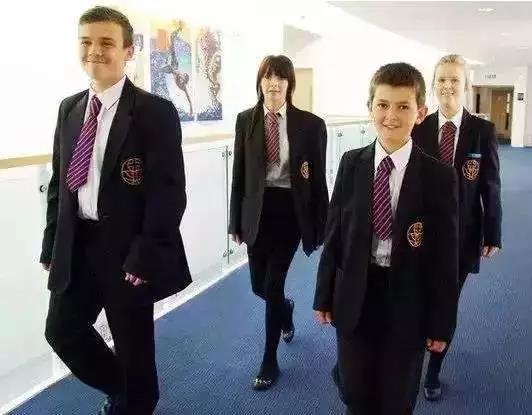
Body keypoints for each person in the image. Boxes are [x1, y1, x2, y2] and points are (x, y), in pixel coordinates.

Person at [40, 6, 191, 415]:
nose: (95, 51)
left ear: (128, 51)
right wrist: (51, 243)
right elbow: (60, 184)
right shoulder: (69, 109)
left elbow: (168, 193)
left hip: (127, 253)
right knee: (62, 331)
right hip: (77, 245)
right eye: (86, 42)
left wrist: (145, 253)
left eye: (106, 42)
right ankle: (127, 391)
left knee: (133, 346)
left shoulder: (154, 112)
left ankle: (136, 399)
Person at [313, 62, 459, 414]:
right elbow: (335, 235)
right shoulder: (351, 164)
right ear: (370, 108)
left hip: (408, 302)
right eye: (382, 105)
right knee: (355, 394)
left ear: (420, 113)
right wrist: (323, 294)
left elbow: (445, 258)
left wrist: (442, 323)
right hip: (355, 293)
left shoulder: (439, 177)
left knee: (396, 398)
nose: (391, 116)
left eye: (403, 106)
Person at [228, 55, 329, 390]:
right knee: (259, 286)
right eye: (268, 77)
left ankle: (269, 359)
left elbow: (318, 181)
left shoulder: (310, 125)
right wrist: (235, 221)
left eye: (280, 78)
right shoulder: (246, 120)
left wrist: (322, 223)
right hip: (256, 213)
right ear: (260, 82)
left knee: (272, 284)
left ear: (289, 84)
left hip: (290, 211)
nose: (273, 83)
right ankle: (285, 309)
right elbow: (239, 175)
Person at [412, 54, 502, 401]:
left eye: (454, 79)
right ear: (433, 84)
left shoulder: (482, 131)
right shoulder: (419, 127)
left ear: (466, 85)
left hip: (463, 234)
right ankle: (415, 350)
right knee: (418, 296)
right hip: (420, 233)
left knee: (446, 300)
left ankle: (433, 371)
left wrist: (493, 232)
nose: (448, 85)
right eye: (442, 79)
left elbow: (490, 185)